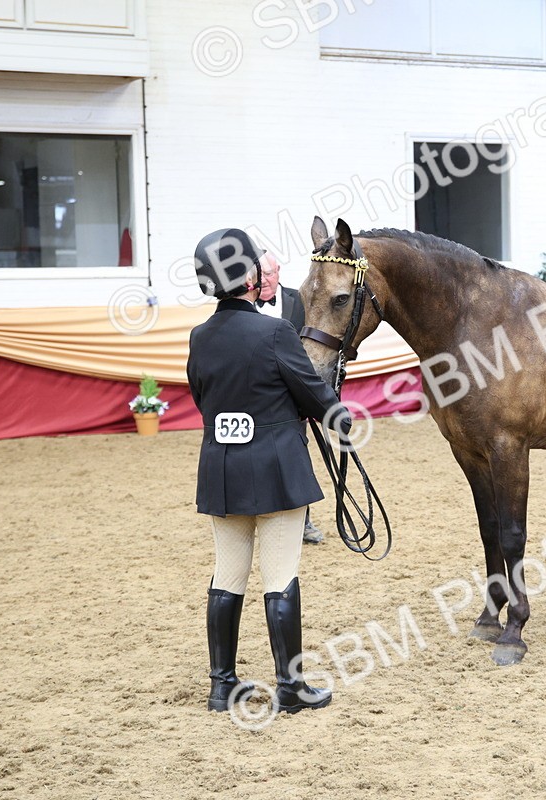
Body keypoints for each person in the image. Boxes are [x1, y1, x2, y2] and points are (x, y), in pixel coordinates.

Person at [188, 227, 351, 715]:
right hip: (276, 468)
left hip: (221, 467)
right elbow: (314, 396)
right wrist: (336, 412)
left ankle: (222, 686)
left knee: (227, 574)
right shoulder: (275, 331)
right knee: (280, 575)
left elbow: (203, 398)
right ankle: (290, 686)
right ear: (248, 278)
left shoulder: (200, 336)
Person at [255, 252, 326, 545]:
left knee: (296, 459)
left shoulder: (301, 301)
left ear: (279, 271)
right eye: (259, 275)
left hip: (292, 397)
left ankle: (303, 521)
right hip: (257, 397)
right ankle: (258, 516)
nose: (264, 280)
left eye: (269, 273)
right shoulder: (243, 306)